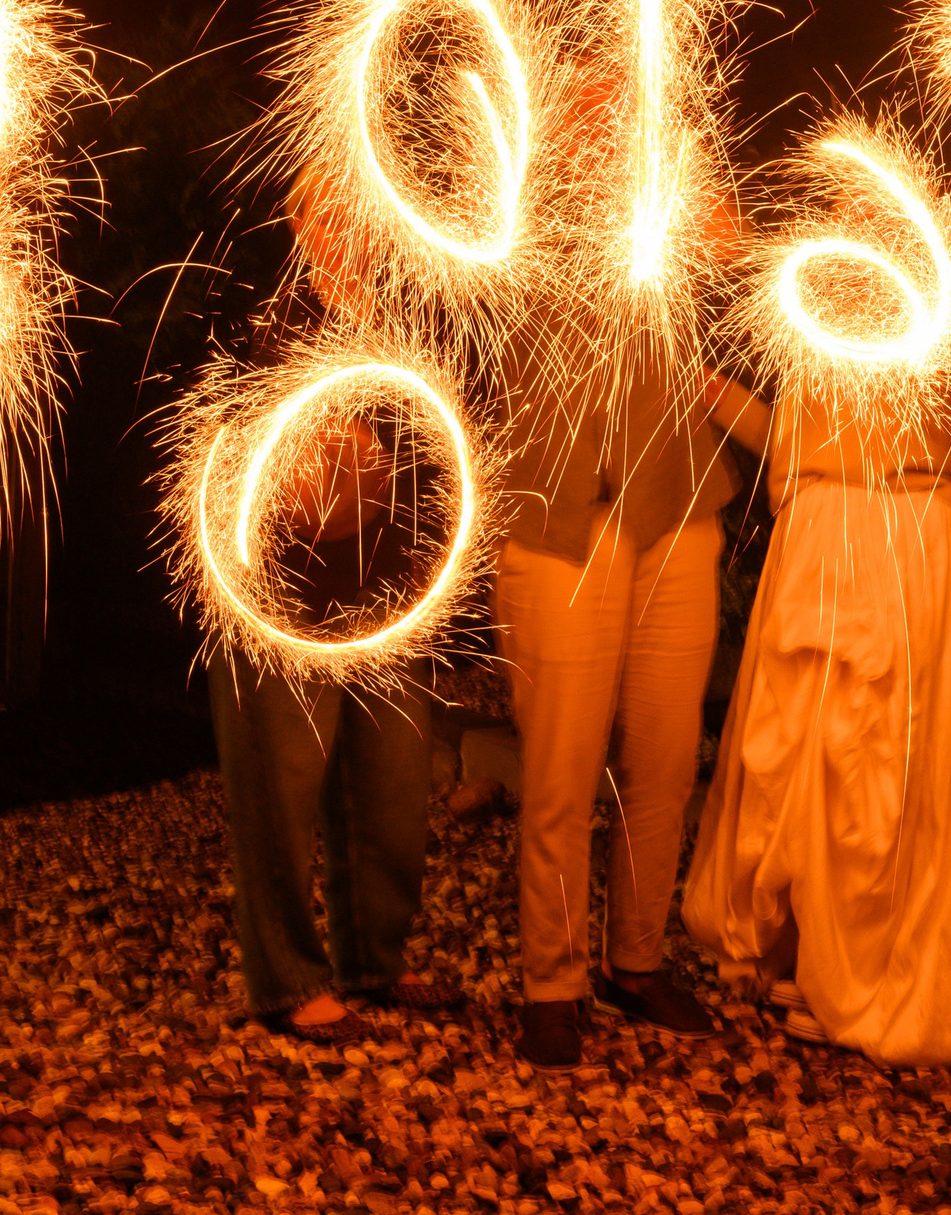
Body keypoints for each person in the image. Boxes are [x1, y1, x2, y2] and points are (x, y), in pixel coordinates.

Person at [681, 366, 951, 1067]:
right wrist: (711, 389)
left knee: (890, 758)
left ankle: (875, 970)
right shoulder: (803, 282)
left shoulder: (948, 293)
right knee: (806, 748)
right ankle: (811, 953)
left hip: (913, 524)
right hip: (821, 523)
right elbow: (794, 433)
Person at [207, 179, 459, 1043]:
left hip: (388, 591)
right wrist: (293, 468)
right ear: (298, 214)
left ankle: (374, 961)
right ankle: (287, 979)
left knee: (392, 787)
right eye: (332, 208)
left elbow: (444, 433)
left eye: (363, 205)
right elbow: (216, 434)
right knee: (281, 789)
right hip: (283, 595)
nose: (354, 223)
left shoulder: (406, 312)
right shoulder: (253, 309)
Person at [494, 322, 734, 1071]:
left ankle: (636, 961)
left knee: (664, 762)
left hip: (676, 498)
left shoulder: (678, 205)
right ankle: (552, 984)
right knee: (562, 769)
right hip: (560, 516)